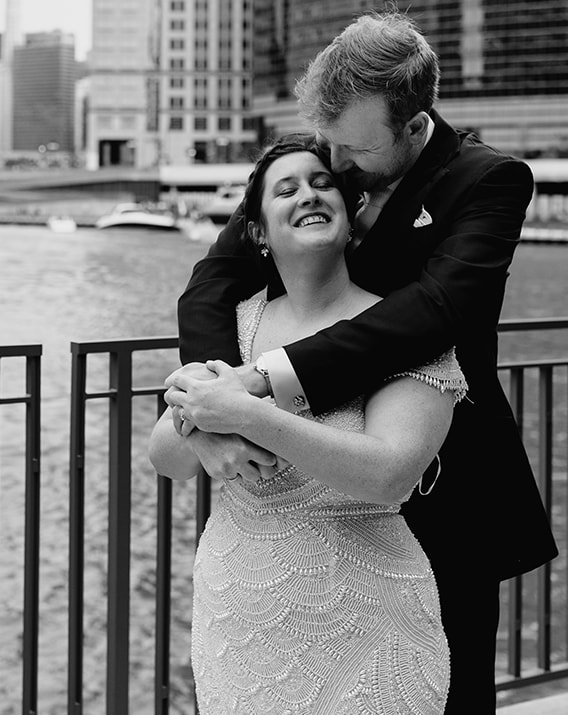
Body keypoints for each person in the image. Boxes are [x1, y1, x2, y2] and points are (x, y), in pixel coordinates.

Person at [170, 11, 557, 713]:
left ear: (413, 125)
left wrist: (259, 383)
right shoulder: (324, 160)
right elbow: (212, 281)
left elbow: (437, 309)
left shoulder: (489, 180)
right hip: (305, 502)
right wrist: (209, 408)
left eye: (355, 148)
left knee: (452, 692)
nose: (337, 163)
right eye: (330, 141)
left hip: (444, 480)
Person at [151, 133, 464, 713]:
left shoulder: (403, 328)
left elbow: (391, 474)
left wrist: (248, 414)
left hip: (367, 620)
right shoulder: (233, 326)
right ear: (258, 233)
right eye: (286, 189)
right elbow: (167, 461)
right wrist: (203, 425)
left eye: (323, 185)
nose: (308, 195)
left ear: (351, 219)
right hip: (237, 613)